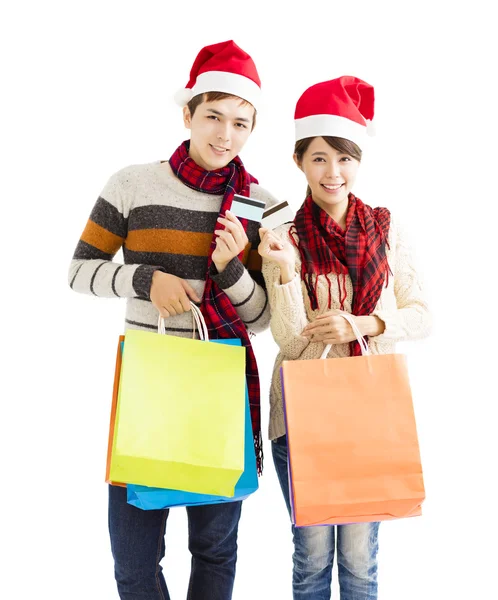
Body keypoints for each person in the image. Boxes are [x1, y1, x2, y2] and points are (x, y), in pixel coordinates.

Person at [68, 40, 278, 600]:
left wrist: (231, 268)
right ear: (187, 114)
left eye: (240, 123)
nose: (225, 135)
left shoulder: (261, 205)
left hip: (221, 389)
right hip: (150, 387)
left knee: (214, 551)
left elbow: (260, 319)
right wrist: (144, 280)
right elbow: (79, 271)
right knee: (134, 560)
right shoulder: (132, 184)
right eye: (213, 116)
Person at [258, 76, 431, 600]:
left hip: (369, 414)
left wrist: (363, 323)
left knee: (360, 561)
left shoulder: (386, 227)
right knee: (310, 559)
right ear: (298, 162)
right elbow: (289, 340)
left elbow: (421, 316)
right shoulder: (280, 233)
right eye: (318, 159)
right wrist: (287, 272)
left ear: (358, 162)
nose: (333, 173)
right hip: (301, 416)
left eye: (344, 158)